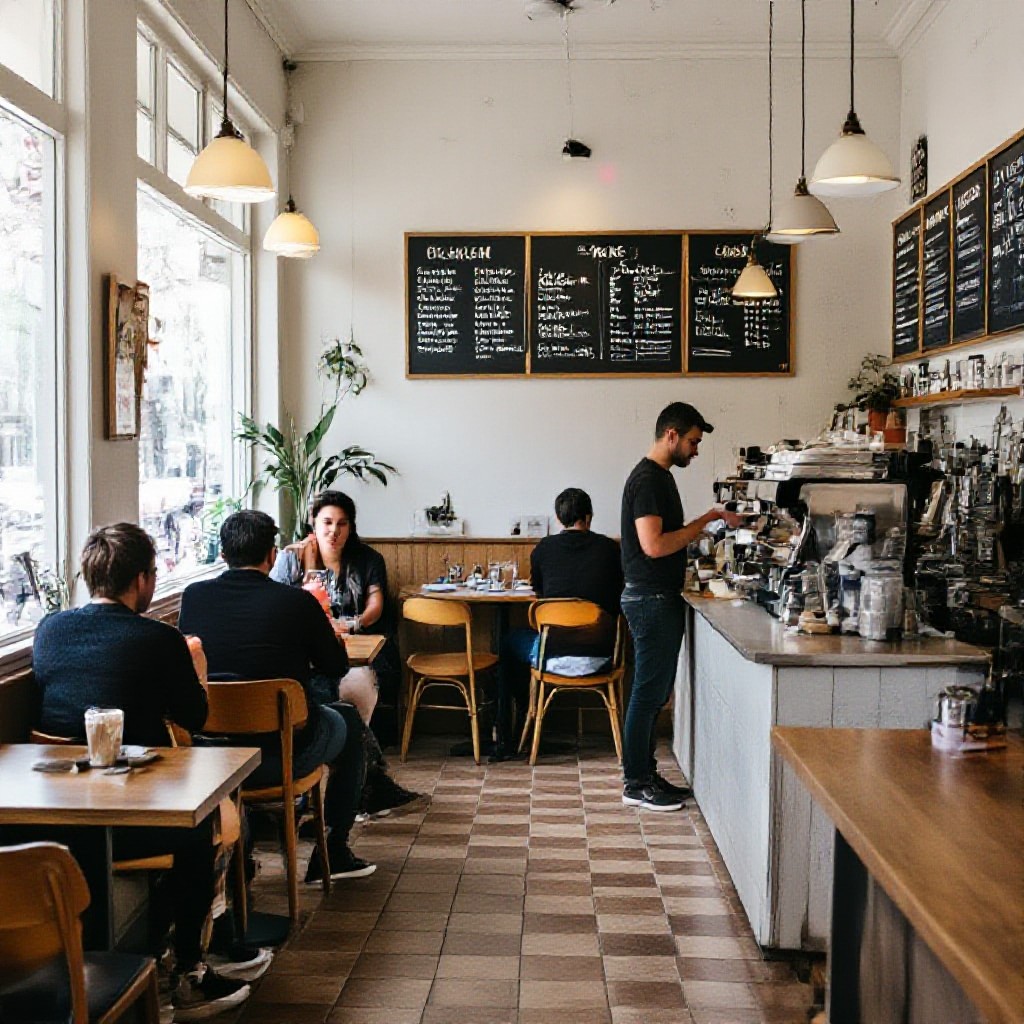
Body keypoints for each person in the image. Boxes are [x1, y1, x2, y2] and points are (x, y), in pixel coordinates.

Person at [32, 523, 252, 1020]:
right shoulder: (158, 639)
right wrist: (196, 666)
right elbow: (195, 719)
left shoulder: (49, 630)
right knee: (203, 830)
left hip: (52, 820)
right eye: (153, 574)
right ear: (141, 580)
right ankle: (190, 974)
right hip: (135, 822)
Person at [178, 510, 375, 884]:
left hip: (214, 758)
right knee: (347, 721)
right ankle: (332, 852)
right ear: (272, 556)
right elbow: (334, 666)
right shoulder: (296, 602)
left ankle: (243, 853)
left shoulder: (194, 597)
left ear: (223, 555)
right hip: (282, 755)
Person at [620, 403, 743, 811]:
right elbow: (653, 545)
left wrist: (704, 522)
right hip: (650, 599)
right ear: (670, 435)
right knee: (647, 694)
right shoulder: (648, 481)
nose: (695, 450)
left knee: (653, 694)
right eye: (692, 441)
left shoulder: (659, 478)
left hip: (655, 597)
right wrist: (706, 522)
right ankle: (636, 782)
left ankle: (644, 774)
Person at [270, 490, 417, 815]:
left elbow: (376, 606)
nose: (333, 531)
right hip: (302, 655)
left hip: (355, 645)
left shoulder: (367, 559)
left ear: (351, 527)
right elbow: (277, 605)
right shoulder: (292, 558)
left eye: (341, 523)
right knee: (340, 699)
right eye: (326, 523)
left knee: (357, 687)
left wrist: (354, 623)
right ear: (313, 522)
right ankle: (367, 782)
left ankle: (352, 784)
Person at [493, 487, 623, 761]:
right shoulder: (610, 549)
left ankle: (513, 728)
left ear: (558, 517)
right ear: (588, 517)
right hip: (602, 654)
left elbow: (539, 594)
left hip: (550, 655)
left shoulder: (544, 549)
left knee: (506, 642)